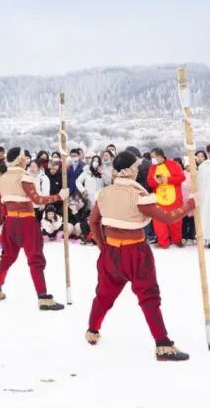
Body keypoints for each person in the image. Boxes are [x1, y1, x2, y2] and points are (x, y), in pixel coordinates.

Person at [84, 150, 197, 361]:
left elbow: (93, 221)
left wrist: (103, 246)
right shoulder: (138, 196)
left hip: (110, 251)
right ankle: (163, 344)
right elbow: (167, 217)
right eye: (136, 167)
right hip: (135, 252)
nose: (138, 171)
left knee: (104, 294)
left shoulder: (105, 193)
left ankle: (92, 329)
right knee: (148, 296)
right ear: (130, 170)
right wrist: (190, 204)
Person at [0, 147, 68, 311]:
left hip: (10, 222)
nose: (26, 160)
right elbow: (38, 200)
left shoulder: (2, 179)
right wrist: (59, 196)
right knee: (35, 259)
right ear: (20, 160)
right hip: (27, 222)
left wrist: (0, 225)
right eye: (24, 158)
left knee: (7, 257)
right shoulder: (25, 177)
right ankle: (43, 297)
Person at [145, 148, 187, 249]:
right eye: (152, 158)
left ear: (161, 156)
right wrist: (156, 182)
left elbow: (182, 177)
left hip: (174, 198)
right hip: (159, 198)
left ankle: (177, 240)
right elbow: (149, 182)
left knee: (175, 221)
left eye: (154, 157)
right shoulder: (152, 168)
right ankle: (163, 242)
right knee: (159, 222)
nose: (153, 160)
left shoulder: (173, 164)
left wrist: (168, 180)